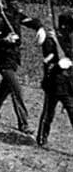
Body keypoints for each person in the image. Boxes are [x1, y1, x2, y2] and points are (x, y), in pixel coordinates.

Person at [0, 0, 43, 134]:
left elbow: (30, 22)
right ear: (11, 3)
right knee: (17, 90)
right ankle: (24, 124)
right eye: (18, 3)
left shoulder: (17, 16)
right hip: (3, 60)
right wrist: (6, 40)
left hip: (14, 59)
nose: (20, 5)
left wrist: (40, 27)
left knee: (5, 88)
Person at [36, 11, 73, 147]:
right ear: (64, 26)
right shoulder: (51, 39)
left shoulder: (68, 39)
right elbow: (47, 60)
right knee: (48, 112)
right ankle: (41, 138)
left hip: (68, 83)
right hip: (54, 82)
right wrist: (58, 63)